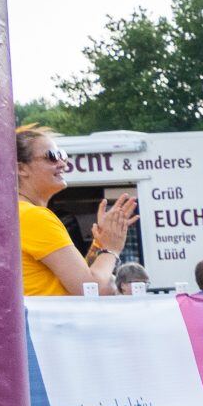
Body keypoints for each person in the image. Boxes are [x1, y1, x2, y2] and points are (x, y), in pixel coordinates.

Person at [15, 124, 134, 297]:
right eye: (52, 156)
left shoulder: (18, 214)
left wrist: (99, 245)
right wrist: (111, 248)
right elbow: (92, 289)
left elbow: (77, 280)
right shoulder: (34, 216)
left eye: (62, 155)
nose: (63, 163)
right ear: (21, 168)